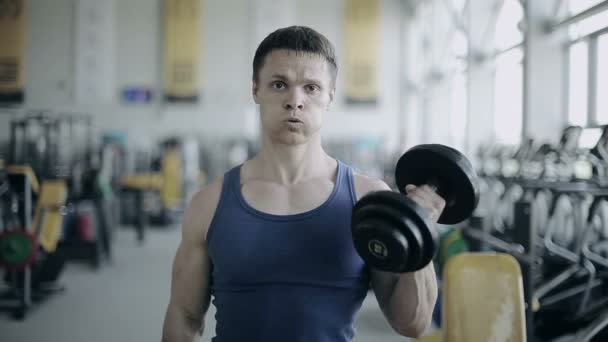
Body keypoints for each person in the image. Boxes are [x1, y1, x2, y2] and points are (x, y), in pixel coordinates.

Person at [161, 25, 444, 342]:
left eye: (311, 88)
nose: (294, 100)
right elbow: (184, 316)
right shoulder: (209, 204)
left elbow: (413, 324)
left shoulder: (370, 200)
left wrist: (418, 229)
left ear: (330, 96)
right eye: (279, 84)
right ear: (256, 89)